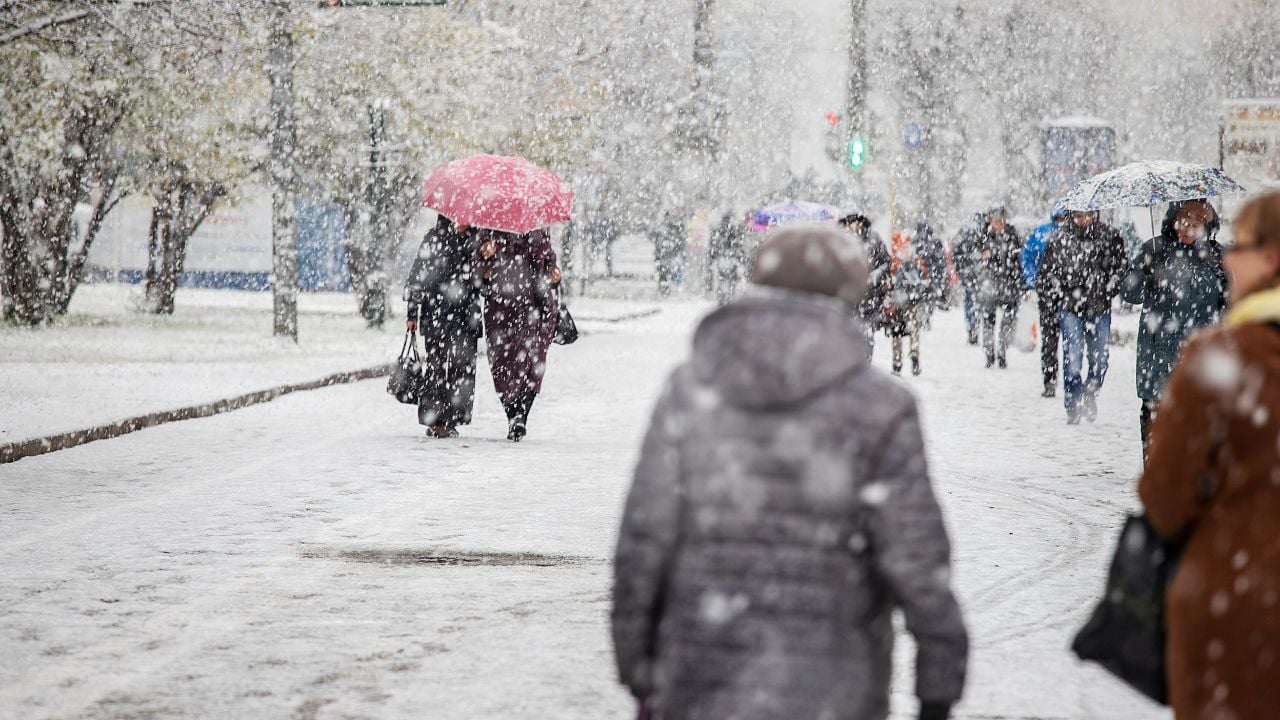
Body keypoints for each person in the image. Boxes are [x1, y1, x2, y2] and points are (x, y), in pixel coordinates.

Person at [612, 224, 968, 720]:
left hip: (701, 675)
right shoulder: (882, 408)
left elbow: (644, 537)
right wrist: (939, 684)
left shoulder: (690, 391)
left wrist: (637, 659)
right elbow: (916, 557)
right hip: (832, 687)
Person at [1137, 190, 1280, 720]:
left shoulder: (1221, 361)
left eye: (1239, 245)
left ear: (1270, 260)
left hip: (1235, 610)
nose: (1227, 256)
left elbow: (1164, 498)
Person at [1121, 200, 1227, 450]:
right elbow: (1130, 293)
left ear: (1206, 227)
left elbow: (1230, 302)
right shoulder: (1155, 249)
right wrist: (1144, 272)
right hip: (1158, 350)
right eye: (1182, 223)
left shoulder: (1217, 256)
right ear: (1172, 221)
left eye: (1194, 225)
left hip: (1202, 351)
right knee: (1156, 419)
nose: (1187, 230)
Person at [1036, 210, 1127, 424]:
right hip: (1071, 307)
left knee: (1100, 360)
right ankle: (1073, 404)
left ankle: (1090, 392)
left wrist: (1109, 288)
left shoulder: (1109, 236)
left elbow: (1121, 267)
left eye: (1087, 215)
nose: (1083, 220)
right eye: (1078, 216)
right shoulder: (1059, 239)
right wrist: (1061, 292)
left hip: (1099, 306)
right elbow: (1048, 272)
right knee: (1073, 359)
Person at [476, 227, 562, 442]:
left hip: (535, 307)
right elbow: (478, 274)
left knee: (535, 362)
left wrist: (554, 274)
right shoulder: (489, 232)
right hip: (500, 309)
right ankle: (512, 413)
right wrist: (485, 260)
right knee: (502, 363)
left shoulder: (538, 230)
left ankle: (520, 415)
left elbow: (549, 263)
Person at [403, 215, 482, 439]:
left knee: (462, 370)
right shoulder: (434, 237)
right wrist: (412, 313)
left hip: (465, 316)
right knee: (436, 367)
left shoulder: (476, 239)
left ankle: (453, 418)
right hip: (436, 313)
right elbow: (418, 275)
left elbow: (483, 280)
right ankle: (436, 420)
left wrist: (482, 261)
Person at [1022, 206, 1068, 397]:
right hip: (1048, 294)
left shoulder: (1074, 235)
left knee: (1071, 342)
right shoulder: (1041, 233)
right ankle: (1050, 380)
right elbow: (1027, 258)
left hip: (1070, 295)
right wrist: (1032, 280)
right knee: (1049, 340)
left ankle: (1071, 381)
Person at [972, 207, 1024, 368]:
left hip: (1009, 283)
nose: (998, 224)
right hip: (989, 284)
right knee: (988, 320)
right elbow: (973, 257)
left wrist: (1018, 279)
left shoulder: (1013, 236)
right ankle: (989, 352)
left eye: (1000, 221)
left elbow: (1019, 258)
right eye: (995, 221)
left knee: (1009, 320)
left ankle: (1002, 350)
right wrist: (982, 257)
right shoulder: (983, 236)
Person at [840, 212, 892, 352]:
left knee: (866, 336)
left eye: (856, 222)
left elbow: (886, 262)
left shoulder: (873, 239)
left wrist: (875, 275)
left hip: (869, 298)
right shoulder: (838, 240)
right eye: (849, 222)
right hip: (845, 298)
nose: (852, 226)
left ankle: (863, 364)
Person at [885, 231, 932, 376]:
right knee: (914, 328)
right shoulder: (915, 259)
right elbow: (925, 277)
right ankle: (914, 352)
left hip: (897, 300)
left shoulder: (894, 261)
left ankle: (897, 362)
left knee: (896, 332)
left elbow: (888, 281)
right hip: (913, 299)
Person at [951, 212, 988, 345]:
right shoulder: (984, 233)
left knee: (970, 301)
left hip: (968, 273)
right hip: (980, 274)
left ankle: (973, 327)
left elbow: (955, 253)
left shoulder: (964, 232)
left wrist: (960, 269)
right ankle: (978, 326)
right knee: (979, 301)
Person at [709, 210, 748, 305]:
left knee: (723, 280)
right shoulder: (735, 229)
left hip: (722, 259)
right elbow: (740, 245)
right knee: (731, 280)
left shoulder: (719, 230)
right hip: (731, 259)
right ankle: (730, 297)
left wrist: (713, 257)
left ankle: (723, 297)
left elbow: (713, 245)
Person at [652, 209, 687, 296]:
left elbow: (680, 241)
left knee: (668, 272)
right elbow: (656, 240)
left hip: (669, 254)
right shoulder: (663, 228)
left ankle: (666, 288)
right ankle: (664, 288)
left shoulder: (674, 228)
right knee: (663, 272)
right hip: (664, 254)